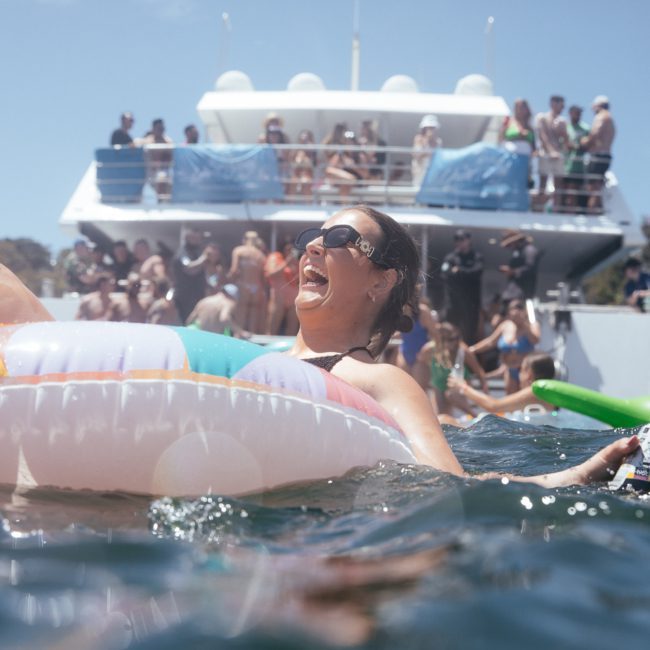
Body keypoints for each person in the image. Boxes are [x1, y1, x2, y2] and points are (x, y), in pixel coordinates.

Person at [287, 204, 637, 486]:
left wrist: (564, 478)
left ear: (382, 282)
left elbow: (448, 485)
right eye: (311, 237)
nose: (313, 247)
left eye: (339, 237)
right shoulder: (261, 362)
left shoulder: (380, 382)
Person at [445, 352, 557, 424]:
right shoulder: (548, 394)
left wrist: (463, 387)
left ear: (529, 374)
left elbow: (494, 406)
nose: (519, 375)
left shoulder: (536, 392)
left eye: (521, 370)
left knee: (444, 420)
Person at [413, 322, 488, 418]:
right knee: (441, 417)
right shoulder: (429, 350)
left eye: (455, 338)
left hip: (459, 387)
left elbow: (478, 370)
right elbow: (420, 364)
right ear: (440, 339)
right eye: (449, 339)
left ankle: (474, 415)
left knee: (451, 394)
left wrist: (485, 390)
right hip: (439, 385)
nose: (453, 342)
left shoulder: (462, 350)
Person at [469, 298, 540, 394]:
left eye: (518, 310)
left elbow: (535, 340)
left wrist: (523, 325)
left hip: (525, 370)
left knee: (524, 396)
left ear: (524, 312)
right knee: (510, 397)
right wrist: (472, 350)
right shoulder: (505, 326)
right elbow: (490, 342)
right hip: (509, 368)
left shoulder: (532, 325)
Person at [440, 229, 483, 344]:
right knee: (450, 332)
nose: (460, 242)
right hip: (453, 303)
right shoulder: (450, 258)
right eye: (457, 240)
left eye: (462, 239)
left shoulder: (476, 257)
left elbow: (477, 272)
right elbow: (445, 273)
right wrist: (465, 273)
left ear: (468, 240)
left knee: (468, 335)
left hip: (470, 304)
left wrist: (459, 271)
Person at [580, 96, 616, 213]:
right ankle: (597, 210)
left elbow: (595, 134)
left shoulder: (601, 117)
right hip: (606, 156)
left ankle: (592, 211)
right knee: (597, 184)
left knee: (593, 186)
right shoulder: (610, 120)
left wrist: (584, 142)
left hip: (598, 156)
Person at [228, 230, 268, 333]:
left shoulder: (239, 250)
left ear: (245, 239)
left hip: (243, 285)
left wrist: (228, 280)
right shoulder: (261, 255)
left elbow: (234, 270)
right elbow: (263, 277)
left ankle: (238, 341)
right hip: (257, 288)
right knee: (253, 320)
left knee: (240, 319)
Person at [535, 95, 568, 209]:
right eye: (561, 105)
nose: (562, 108)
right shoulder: (542, 117)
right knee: (543, 182)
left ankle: (556, 209)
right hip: (546, 154)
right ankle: (539, 208)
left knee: (558, 184)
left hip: (558, 155)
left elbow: (565, 141)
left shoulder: (562, 121)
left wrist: (563, 132)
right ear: (553, 103)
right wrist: (551, 151)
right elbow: (542, 136)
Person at [171, 228, 208, 323]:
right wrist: (204, 258)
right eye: (194, 238)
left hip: (197, 295)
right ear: (187, 238)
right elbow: (188, 267)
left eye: (198, 238)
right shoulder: (183, 252)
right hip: (184, 296)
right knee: (186, 321)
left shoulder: (197, 252)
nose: (197, 241)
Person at [394, 296, 439, 375]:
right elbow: (404, 334)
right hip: (404, 355)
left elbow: (437, 336)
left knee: (418, 386)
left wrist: (427, 348)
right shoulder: (399, 312)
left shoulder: (423, 311)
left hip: (420, 357)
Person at [265, 240, 300, 335]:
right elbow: (271, 274)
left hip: (293, 299)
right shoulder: (275, 258)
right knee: (272, 330)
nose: (290, 252)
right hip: (278, 299)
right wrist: (287, 262)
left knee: (292, 330)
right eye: (287, 249)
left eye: (292, 250)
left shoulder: (297, 261)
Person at [499, 229, 540, 302]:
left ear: (516, 241)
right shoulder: (518, 252)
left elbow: (530, 268)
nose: (510, 247)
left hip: (522, 292)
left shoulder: (529, 250)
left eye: (510, 244)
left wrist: (513, 271)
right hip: (514, 292)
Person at [564, 105, 590, 211]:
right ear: (570, 113)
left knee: (573, 192)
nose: (578, 115)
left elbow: (588, 144)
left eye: (580, 113)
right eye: (576, 112)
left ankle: (571, 214)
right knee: (565, 192)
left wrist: (577, 146)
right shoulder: (565, 127)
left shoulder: (586, 128)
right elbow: (564, 144)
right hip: (565, 165)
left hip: (578, 166)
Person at [142, 118, 174, 199]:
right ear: (153, 129)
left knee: (164, 178)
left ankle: (164, 200)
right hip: (149, 172)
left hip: (165, 170)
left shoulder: (168, 141)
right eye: (158, 128)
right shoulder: (147, 141)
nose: (161, 130)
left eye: (162, 128)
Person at [411, 114, 442, 186]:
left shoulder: (438, 141)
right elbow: (416, 155)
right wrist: (428, 151)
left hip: (433, 171)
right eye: (429, 128)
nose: (431, 130)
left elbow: (439, 157)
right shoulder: (418, 139)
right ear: (424, 128)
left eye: (432, 128)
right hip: (420, 170)